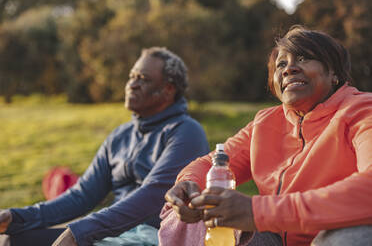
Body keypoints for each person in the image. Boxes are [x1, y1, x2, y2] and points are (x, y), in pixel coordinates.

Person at [162, 26, 372, 246]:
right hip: (274, 238)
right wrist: (189, 184)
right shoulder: (266, 122)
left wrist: (257, 211)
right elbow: (212, 161)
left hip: (330, 236)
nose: (289, 69)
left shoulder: (361, 110)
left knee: (352, 237)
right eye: (281, 64)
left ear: (334, 73)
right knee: (196, 220)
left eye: (303, 58)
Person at [0, 47, 210, 246]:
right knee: (13, 239)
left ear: (168, 90)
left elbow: (151, 197)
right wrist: (17, 217)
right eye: (132, 76)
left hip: (155, 235)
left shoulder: (186, 132)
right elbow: (81, 195)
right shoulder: (120, 136)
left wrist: (82, 231)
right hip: (113, 233)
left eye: (143, 79)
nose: (132, 84)